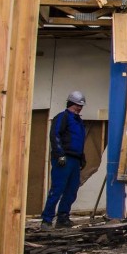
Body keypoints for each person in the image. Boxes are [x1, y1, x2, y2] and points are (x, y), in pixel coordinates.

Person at [41, 90, 88, 228]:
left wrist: (81, 157)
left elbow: (79, 141)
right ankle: (47, 219)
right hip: (64, 159)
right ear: (70, 104)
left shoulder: (79, 121)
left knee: (71, 190)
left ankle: (63, 218)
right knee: (57, 189)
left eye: (80, 106)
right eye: (76, 105)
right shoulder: (62, 117)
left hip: (74, 159)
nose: (79, 108)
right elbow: (55, 135)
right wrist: (59, 154)